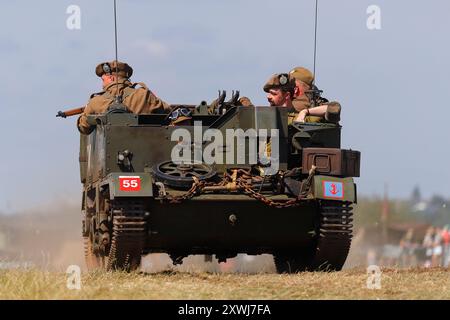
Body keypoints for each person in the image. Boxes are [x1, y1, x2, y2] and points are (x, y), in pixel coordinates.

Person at [77, 60, 171, 134]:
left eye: (103, 80)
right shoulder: (144, 95)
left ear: (111, 78)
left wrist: (86, 110)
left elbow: (83, 128)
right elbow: (169, 113)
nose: (102, 85)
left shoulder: (95, 101)